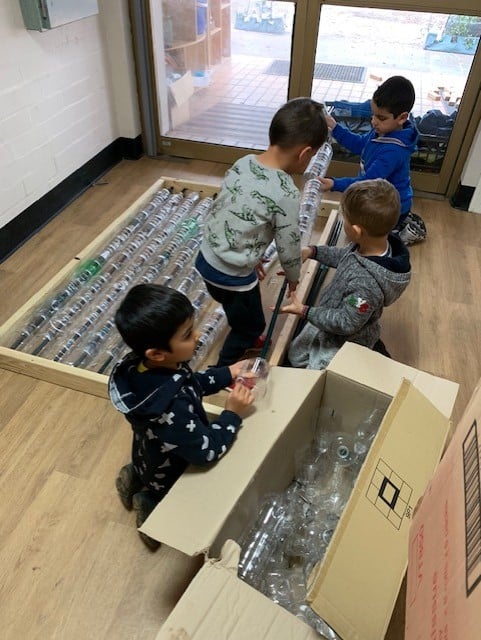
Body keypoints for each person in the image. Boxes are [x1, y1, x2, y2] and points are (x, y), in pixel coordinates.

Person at [108, 284, 254, 550]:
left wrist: (227, 372)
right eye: (187, 334)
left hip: (149, 449)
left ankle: (136, 475)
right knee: (167, 493)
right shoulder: (171, 410)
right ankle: (149, 502)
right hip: (168, 472)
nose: (198, 335)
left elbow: (191, 382)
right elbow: (206, 451)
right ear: (157, 352)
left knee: (147, 461)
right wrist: (232, 414)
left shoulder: (144, 366)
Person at [195, 97, 328, 366]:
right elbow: (289, 244)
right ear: (305, 154)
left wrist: (249, 254)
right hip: (230, 274)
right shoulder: (286, 192)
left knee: (241, 308)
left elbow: (227, 211)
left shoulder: (243, 162)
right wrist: (293, 277)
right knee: (252, 324)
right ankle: (226, 368)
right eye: (311, 157)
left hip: (205, 259)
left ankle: (242, 329)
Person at [278, 179, 411, 370]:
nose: (343, 221)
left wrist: (304, 311)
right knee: (296, 352)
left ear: (357, 231)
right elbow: (344, 257)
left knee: (316, 370)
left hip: (342, 339)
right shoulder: (374, 244)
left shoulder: (365, 284)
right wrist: (313, 251)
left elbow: (345, 323)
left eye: (345, 219)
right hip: (338, 315)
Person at [319, 76, 426, 245]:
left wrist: (334, 183)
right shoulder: (382, 131)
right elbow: (361, 144)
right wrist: (335, 127)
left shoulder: (394, 150)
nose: (374, 121)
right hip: (377, 196)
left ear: (402, 118)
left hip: (391, 207)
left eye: (381, 118)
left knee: (368, 241)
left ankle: (401, 231)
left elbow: (366, 182)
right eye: (373, 115)